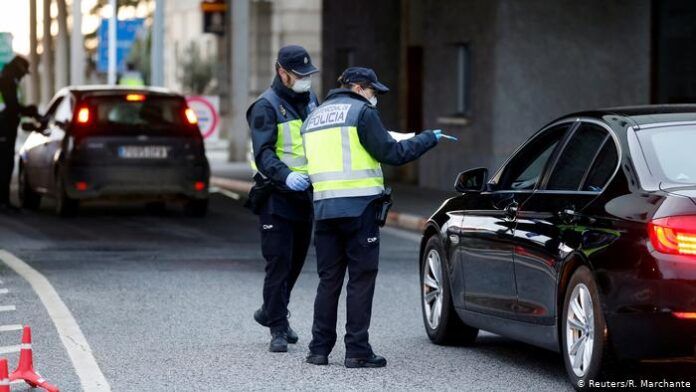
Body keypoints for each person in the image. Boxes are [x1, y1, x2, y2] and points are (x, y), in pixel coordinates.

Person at [301, 67, 452, 367]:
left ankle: (318, 349)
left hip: (324, 210)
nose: (374, 98)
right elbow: (391, 153)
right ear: (358, 87)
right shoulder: (361, 113)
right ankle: (357, 350)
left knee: (328, 280)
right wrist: (426, 139)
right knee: (360, 279)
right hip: (359, 210)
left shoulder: (313, 118)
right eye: (373, 91)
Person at [245, 45, 319, 352]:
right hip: (276, 195)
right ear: (282, 73)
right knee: (278, 262)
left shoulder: (312, 101)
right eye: (299, 75)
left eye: (308, 74)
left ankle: (270, 311)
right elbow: (263, 154)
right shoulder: (266, 106)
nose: (305, 79)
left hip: (305, 195)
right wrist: (285, 174)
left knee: (295, 263)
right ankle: (277, 327)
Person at [0, 56, 38, 211]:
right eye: (23, 73)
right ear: (19, 69)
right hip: (2, 129)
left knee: (6, 164)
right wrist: (28, 111)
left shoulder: (8, 81)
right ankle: (3, 201)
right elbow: (11, 106)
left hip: (6, 128)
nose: (23, 77)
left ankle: (4, 200)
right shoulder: (6, 81)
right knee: (4, 165)